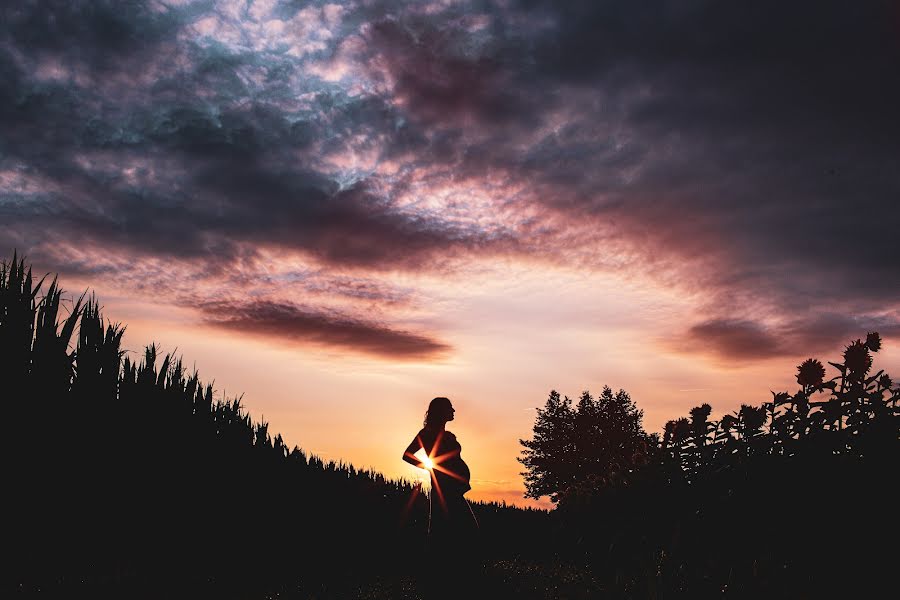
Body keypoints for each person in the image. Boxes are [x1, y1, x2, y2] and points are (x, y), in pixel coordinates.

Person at [402, 397, 479, 595]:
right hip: (445, 488)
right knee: (459, 528)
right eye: (450, 407)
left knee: (448, 528)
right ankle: (446, 578)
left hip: (452, 488)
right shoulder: (427, 433)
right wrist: (429, 468)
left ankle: (445, 575)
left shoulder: (447, 434)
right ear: (441, 411)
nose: (454, 410)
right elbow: (407, 455)